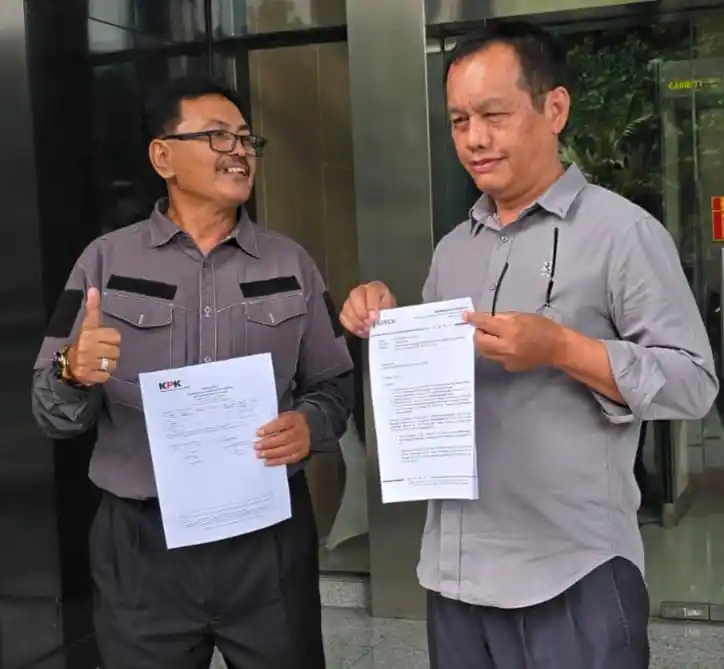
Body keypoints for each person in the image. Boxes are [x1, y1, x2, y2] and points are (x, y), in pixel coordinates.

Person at [340, 22, 717, 669]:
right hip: (456, 573)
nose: (474, 139)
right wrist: (385, 321)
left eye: (494, 115)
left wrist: (561, 347)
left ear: (555, 108)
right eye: (459, 120)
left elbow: (693, 384)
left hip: (571, 574)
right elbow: (438, 383)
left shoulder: (622, 234)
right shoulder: (454, 249)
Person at [31, 76, 354, 669]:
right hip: (141, 547)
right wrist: (71, 371)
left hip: (266, 543)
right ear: (163, 157)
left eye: (246, 139)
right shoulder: (105, 262)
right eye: (217, 136)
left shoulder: (291, 264)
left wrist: (310, 424)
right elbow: (51, 411)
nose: (239, 151)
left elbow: (334, 382)